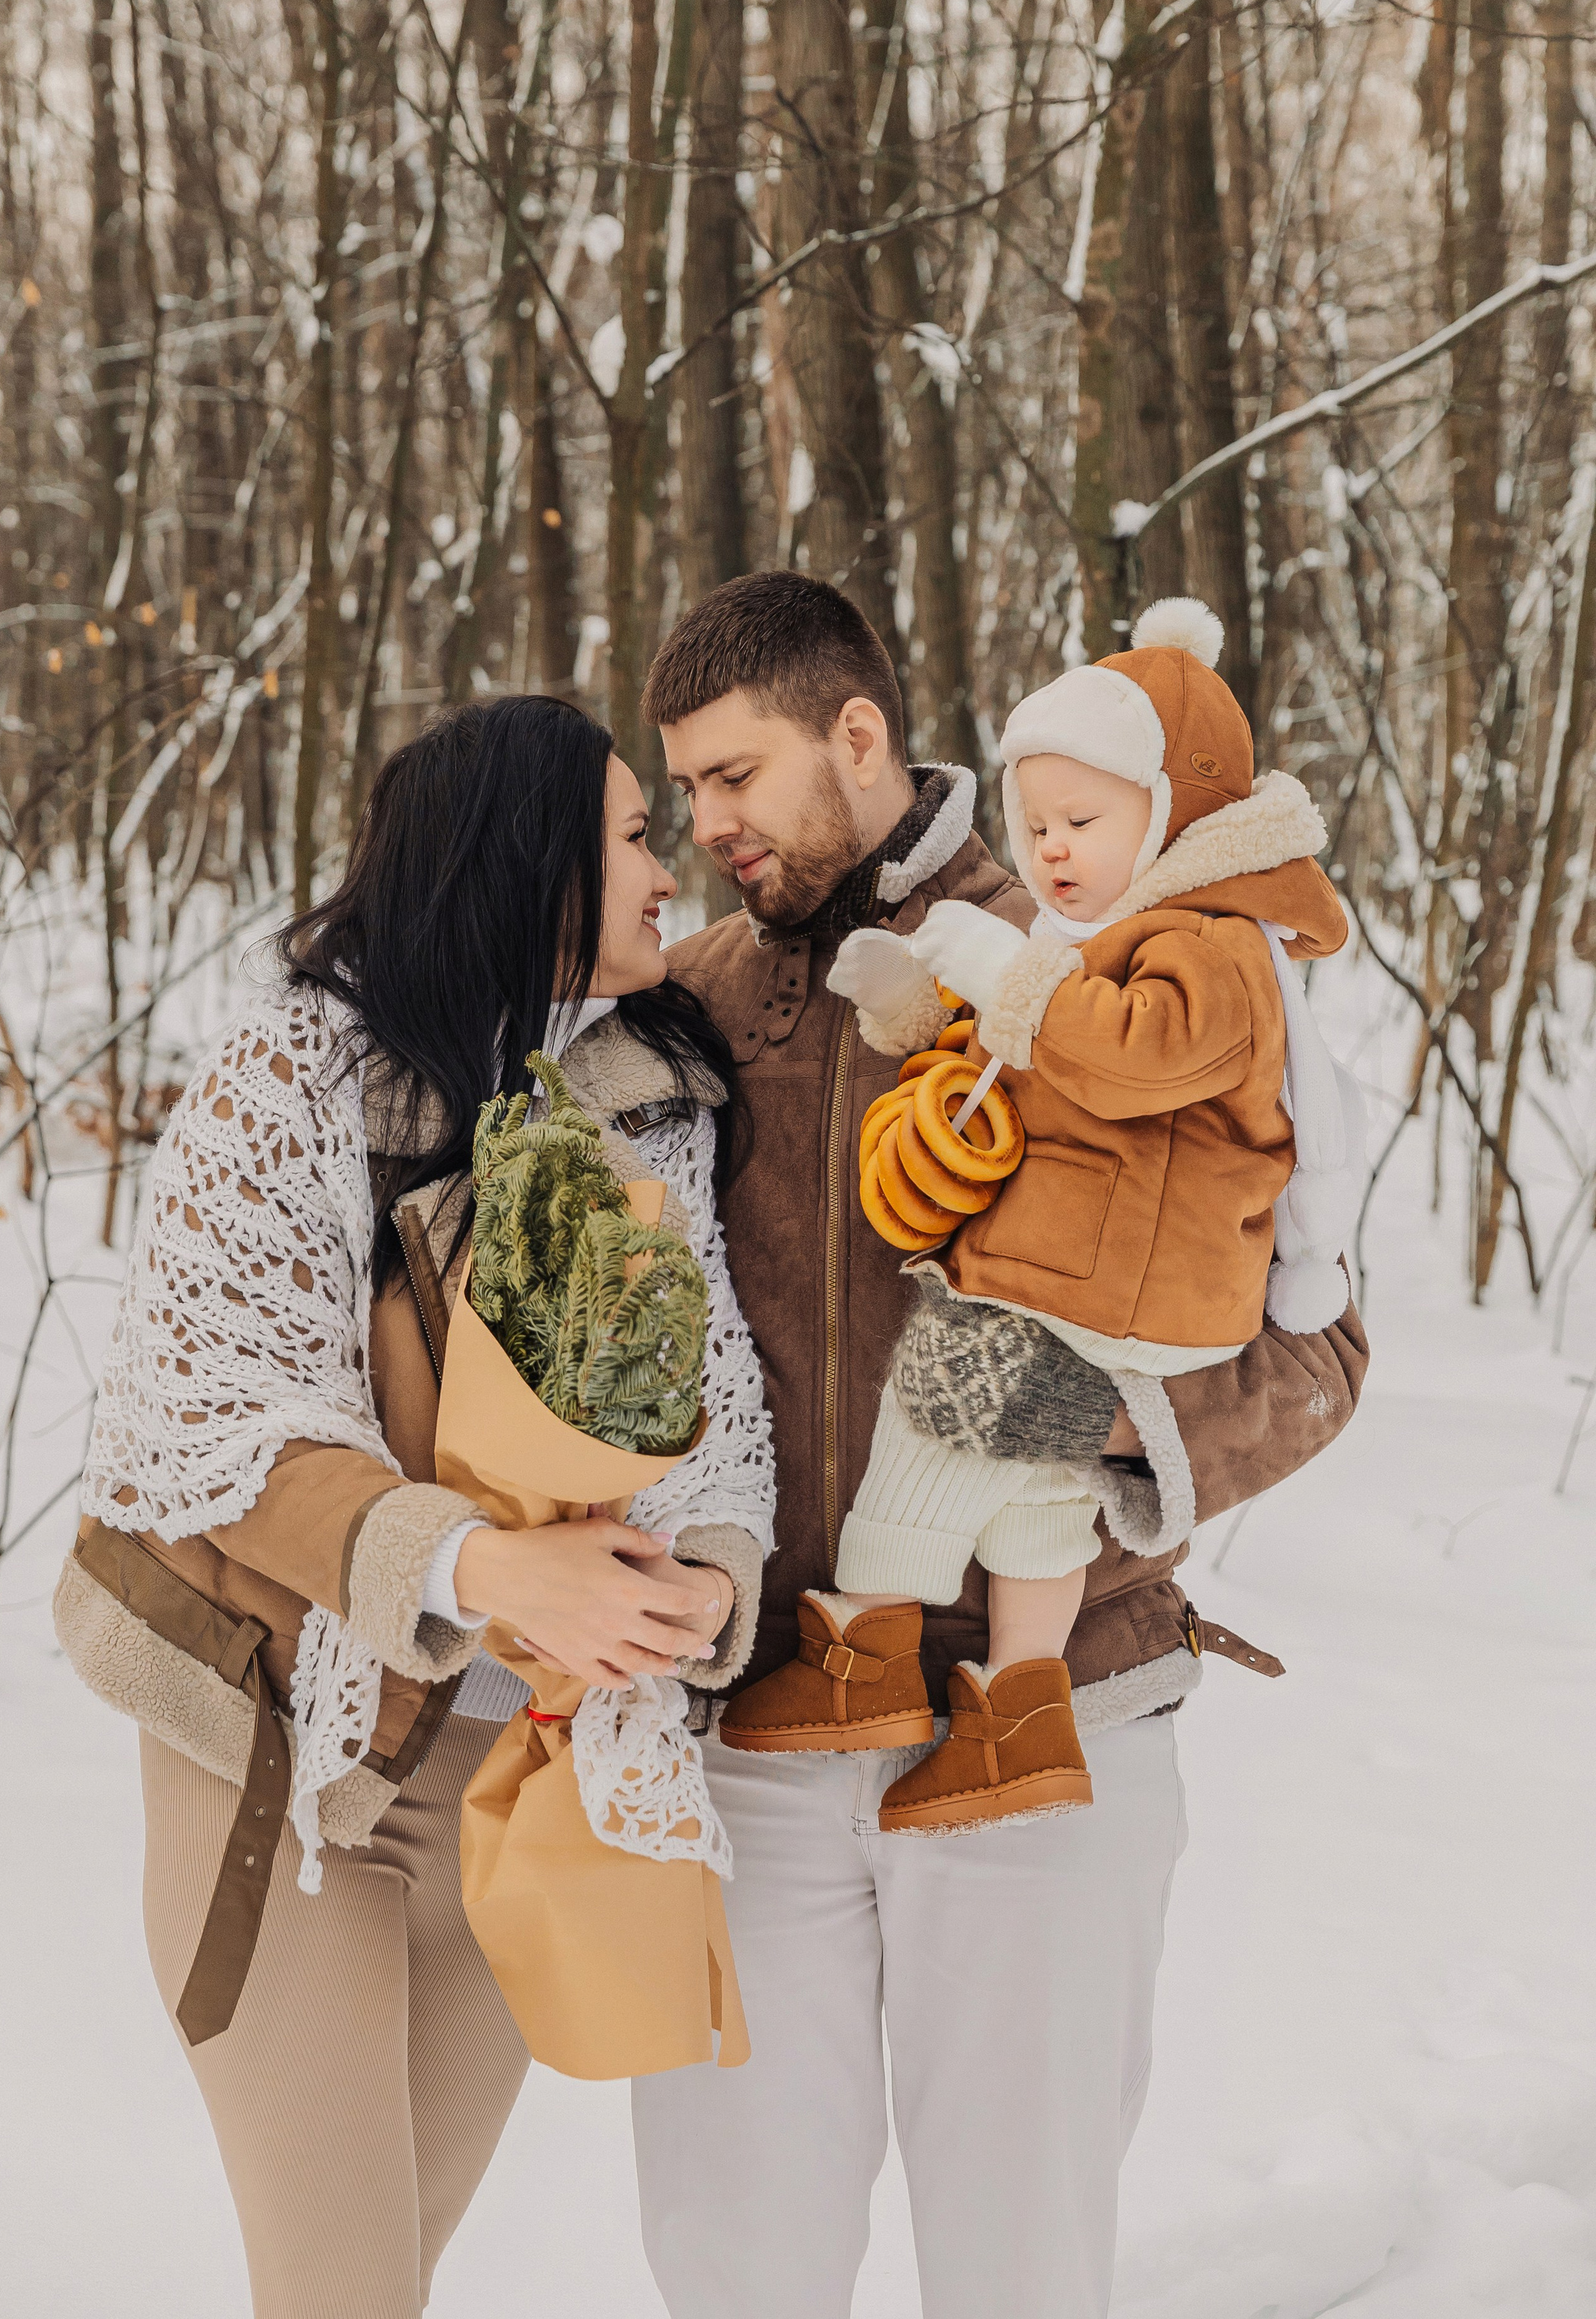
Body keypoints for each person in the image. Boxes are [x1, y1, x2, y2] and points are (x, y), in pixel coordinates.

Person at [636, 569, 1369, 2319]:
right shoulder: (691, 1005)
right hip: (763, 1725)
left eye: (734, 775)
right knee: (736, 2269)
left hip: (1056, 1716)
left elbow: (1326, 1341)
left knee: (1021, 2267)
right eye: (684, 789)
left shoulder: (1126, 949)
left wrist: (1081, 1413)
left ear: (859, 735)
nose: (705, 822)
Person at [53, 696, 774, 2319]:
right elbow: (231, 1430)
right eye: (634, 834)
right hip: (286, 1771)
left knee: (393, 2280)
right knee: (340, 2295)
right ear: (530, 861)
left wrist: (704, 1585)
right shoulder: (284, 1084)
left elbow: (711, 1413)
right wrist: (486, 1561)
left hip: (513, 1784)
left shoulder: (643, 1099)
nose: (667, 867)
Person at [719, 593, 1356, 1837]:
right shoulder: (1094, 940)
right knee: (1036, 1496)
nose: (1052, 849)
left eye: (1084, 820)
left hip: (1110, 1298)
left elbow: (1117, 1057)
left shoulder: (1208, 950)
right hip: (1086, 1289)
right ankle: (1021, 1709)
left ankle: (863, 1659)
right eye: (1039, 822)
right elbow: (1019, 1066)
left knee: (935, 1409)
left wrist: (1126, 1423)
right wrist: (921, 1011)